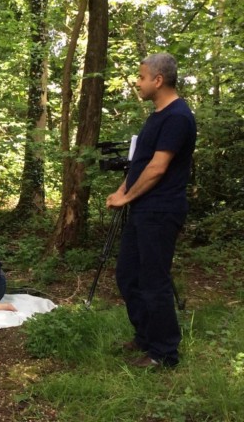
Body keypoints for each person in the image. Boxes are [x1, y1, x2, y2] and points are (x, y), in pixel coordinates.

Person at [106, 53, 197, 368]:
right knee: (128, 274)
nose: (138, 82)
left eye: (142, 77)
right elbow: (141, 162)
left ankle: (165, 353)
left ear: (158, 80)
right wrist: (122, 190)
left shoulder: (177, 117)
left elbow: (158, 169)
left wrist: (126, 197)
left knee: (153, 280)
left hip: (160, 211)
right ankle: (145, 338)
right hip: (143, 210)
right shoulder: (157, 115)